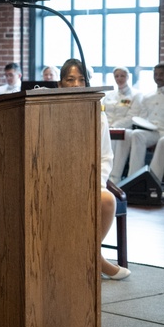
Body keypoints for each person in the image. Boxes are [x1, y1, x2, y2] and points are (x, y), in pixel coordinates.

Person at [57, 59, 130, 280]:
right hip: (55, 180)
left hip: (88, 181)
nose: (77, 84)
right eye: (70, 79)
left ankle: (87, 256)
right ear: (60, 84)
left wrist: (93, 183)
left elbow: (106, 156)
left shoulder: (97, 113)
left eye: (81, 79)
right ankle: (95, 260)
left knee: (107, 200)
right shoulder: (45, 110)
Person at [111, 63, 164, 183]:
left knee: (162, 141)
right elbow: (142, 117)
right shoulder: (148, 96)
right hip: (152, 132)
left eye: (161, 74)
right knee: (132, 133)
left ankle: (153, 180)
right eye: (156, 74)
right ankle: (128, 178)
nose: (158, 77)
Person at [103, 66, 138, 183]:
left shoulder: (135, 95)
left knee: (120, 136)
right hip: (108, 127)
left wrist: (115, 125)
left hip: (125, 128)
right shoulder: (109, 95)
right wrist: (107, 125)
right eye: (117, 76)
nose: (119, 78)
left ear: (128, 77)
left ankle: (115, 177)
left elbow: (132, 116)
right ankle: (104, 176)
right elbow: (102, 112)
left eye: (122, 76)